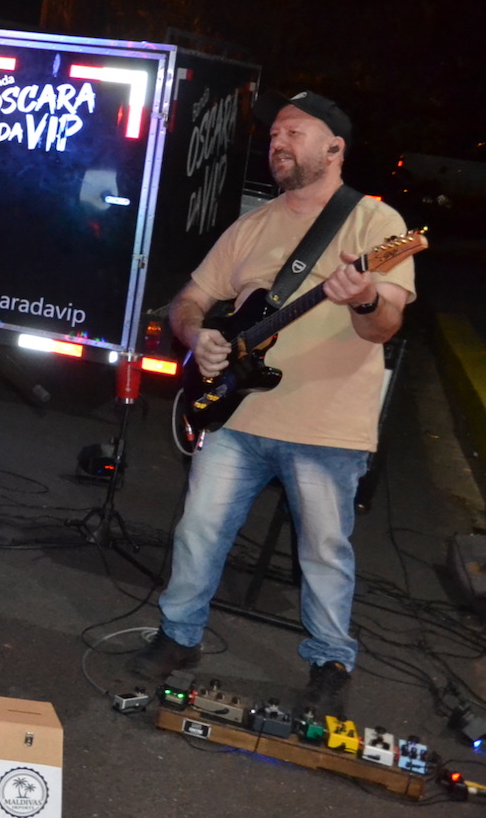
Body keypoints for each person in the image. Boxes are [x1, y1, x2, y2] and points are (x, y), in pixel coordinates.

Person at [130, 91, 415, 718]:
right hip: (238, 414)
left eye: (294, 132)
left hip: (327, 426)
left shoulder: (377, 224)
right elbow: (189, 301)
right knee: (199, 529)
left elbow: (384, 326)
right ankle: (179, 636)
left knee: (323, 551)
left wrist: (364, 297)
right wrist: (197, 337)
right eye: (275, 133)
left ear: (334, 148)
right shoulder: (253, 224)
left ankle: (330, 662)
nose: (277, 142)